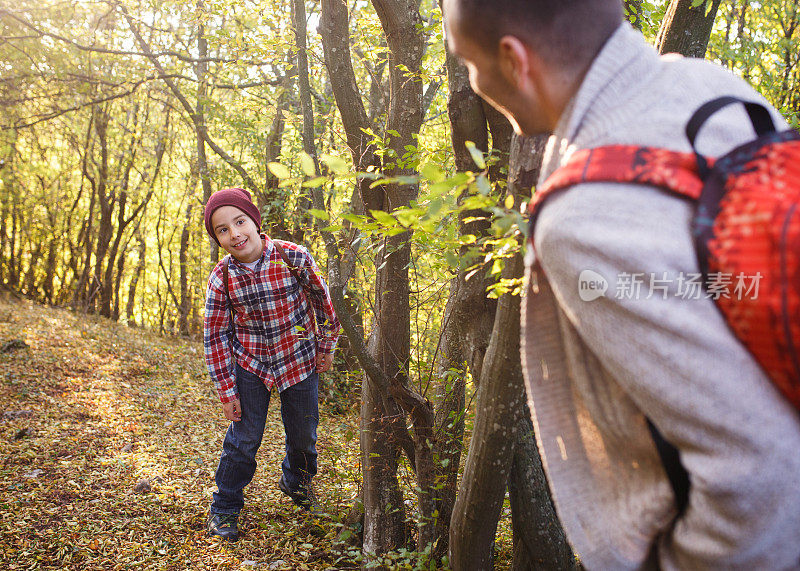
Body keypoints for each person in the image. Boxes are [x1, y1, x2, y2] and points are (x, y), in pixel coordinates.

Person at [443, 0, 800, 568]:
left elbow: (759, 482)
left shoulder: (582, 218)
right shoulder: (712, 87)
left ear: (515, 61)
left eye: (469, 64)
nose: (472, 80)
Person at [202, 187, 341, 541]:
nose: (235, 234)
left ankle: (297, 484)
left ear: (255, 221)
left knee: (303, 435)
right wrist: (225, 389)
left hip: (298, 359)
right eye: (222, 230)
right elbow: (215, 336)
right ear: (218, 239)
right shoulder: (223, 278)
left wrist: (326, 346)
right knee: (243, 440)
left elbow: (323, 303)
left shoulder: (293, 257)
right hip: (251, 365)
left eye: (239, 221)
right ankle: (225, 506)